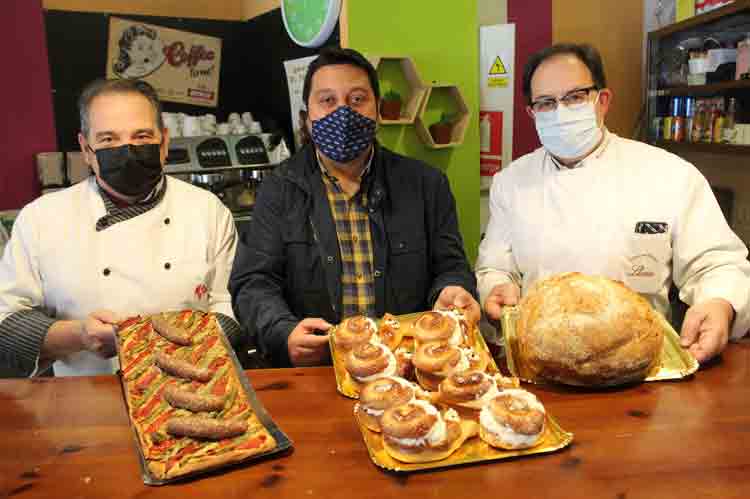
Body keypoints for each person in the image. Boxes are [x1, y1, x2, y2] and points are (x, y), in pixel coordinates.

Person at [476, 43, 750, 364]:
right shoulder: (511, 182)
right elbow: (495, 266)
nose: (561, 112)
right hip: (539, 356)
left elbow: (717, 263)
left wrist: (720, 302)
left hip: (637, 359)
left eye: (575, 97)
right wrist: (496, 286)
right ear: (532, 113)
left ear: (602, 101)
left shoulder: (669, 174)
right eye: (546, 103)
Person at [230, 48, 479, 367]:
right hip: (319, 367)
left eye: (357, 99)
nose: (343, 113)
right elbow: (253, 283)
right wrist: (283, 332)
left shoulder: (426, 185)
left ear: (378, 110)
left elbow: (451, 265)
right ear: (307, 117)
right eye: (327, 100)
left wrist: (453, 288)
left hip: (408, 365)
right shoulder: (279, 189)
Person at [0, 79, 241, 377]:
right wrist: (80, 335)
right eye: (108, 140)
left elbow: (231, 310)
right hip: (85, 397)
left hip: (190, 385)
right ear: (86, 149)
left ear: (164, 142)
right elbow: (6, 322)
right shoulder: (41, 219)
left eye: (142, 136)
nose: (127, 150)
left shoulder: (207, 211)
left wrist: (167, 344)